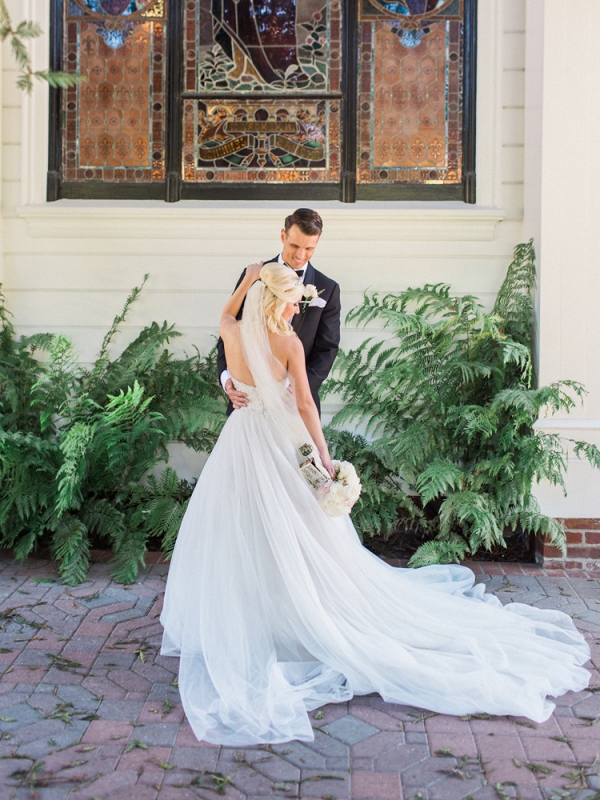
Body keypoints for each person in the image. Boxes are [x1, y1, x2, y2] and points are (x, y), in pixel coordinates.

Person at [160, 261, 590, 747]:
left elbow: (227, 310)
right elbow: (304, 404)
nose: (295, 307)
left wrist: (250, 277)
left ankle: (258, 620)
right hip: (280, 443)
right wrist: (323, 457)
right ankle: (299, 616)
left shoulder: (231, 331)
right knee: (302, 532)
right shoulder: (286, 344)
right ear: (278, 301)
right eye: (292, 300)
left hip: (239, 440)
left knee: (242, 528)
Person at [217, 208, 340, 415]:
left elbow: (327, 348)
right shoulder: (253, 276)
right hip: (248, 402)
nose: (300, 255)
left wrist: (299, 389)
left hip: (295, 404)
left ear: (317, 243)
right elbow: (228, 333)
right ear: (283, 235)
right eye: (294, 245)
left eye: (309, 248)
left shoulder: (327, 288)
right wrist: (226, 378)